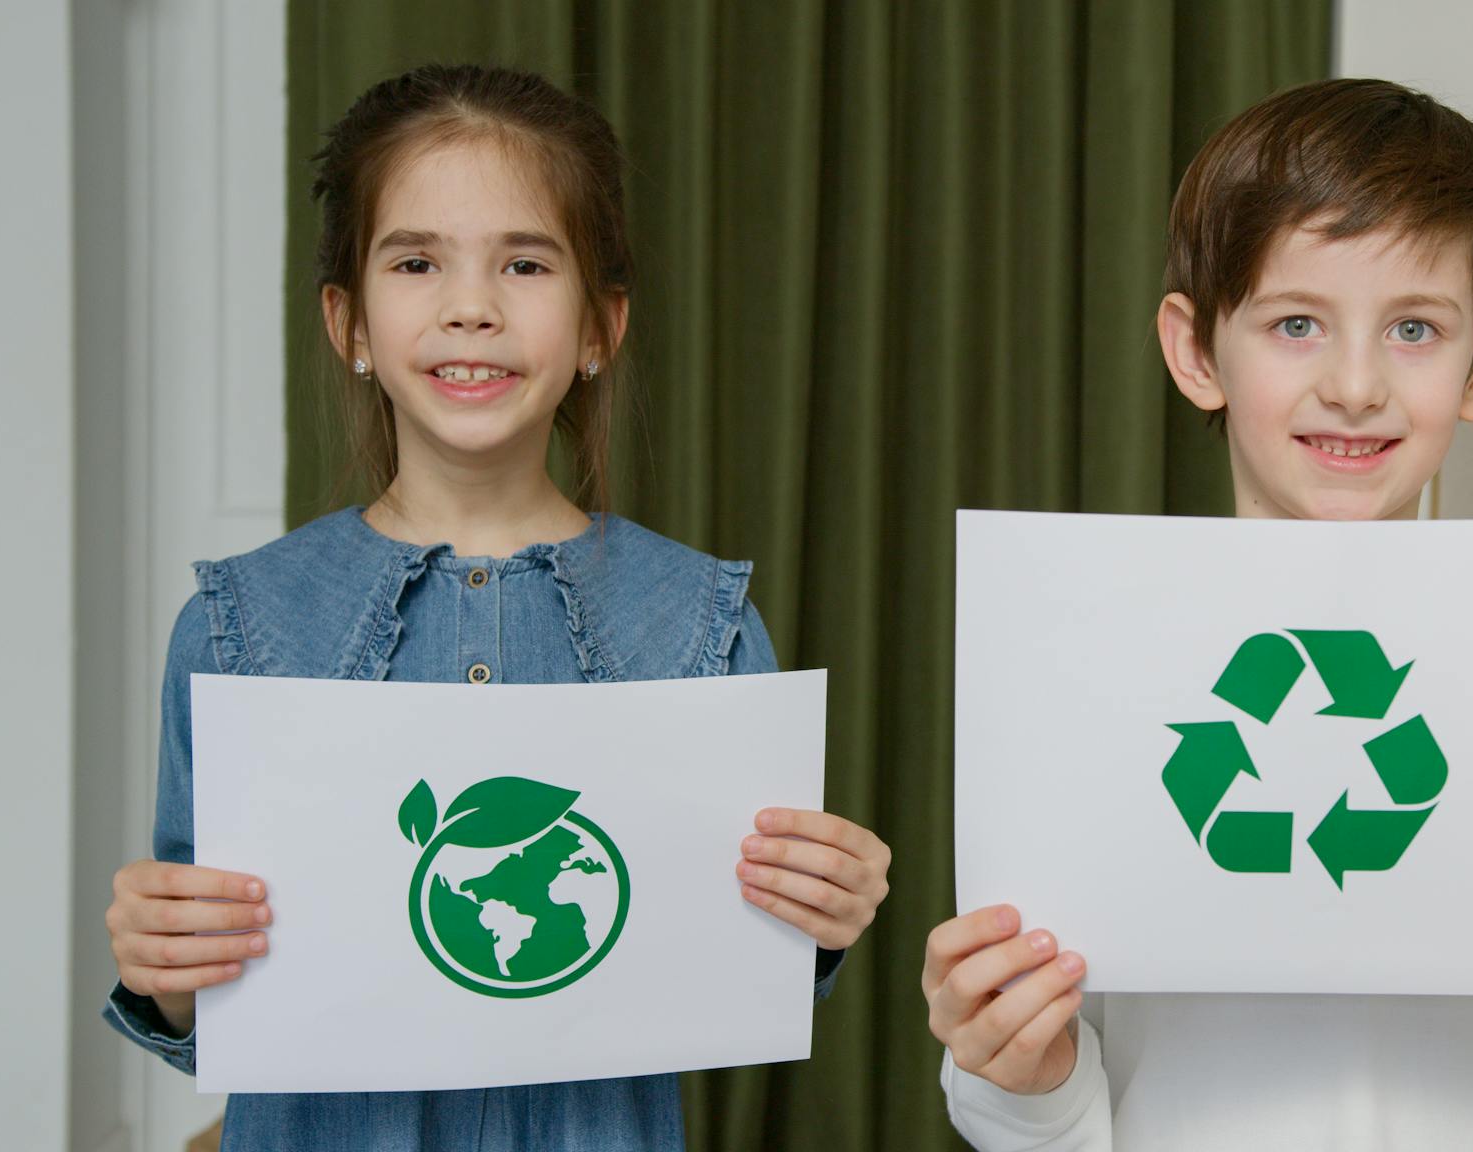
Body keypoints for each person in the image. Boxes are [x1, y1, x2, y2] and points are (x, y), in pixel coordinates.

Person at [100, 63, 891, 1151]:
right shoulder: (237, 626)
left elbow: (727, 965)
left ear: (599, 326)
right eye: (416, 261)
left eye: (524, 262)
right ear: (351, 324)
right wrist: (166, 972)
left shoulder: (702, 629)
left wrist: (818, 918)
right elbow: (204, 999)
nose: (470, 306)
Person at [923, 78, 1473, 1151]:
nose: (1354, 384)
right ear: (1196, 351)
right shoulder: (1087, 678)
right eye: (1296, 323)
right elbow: (1027, 1119)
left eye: (1412, 329)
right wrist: (1024, 1078)